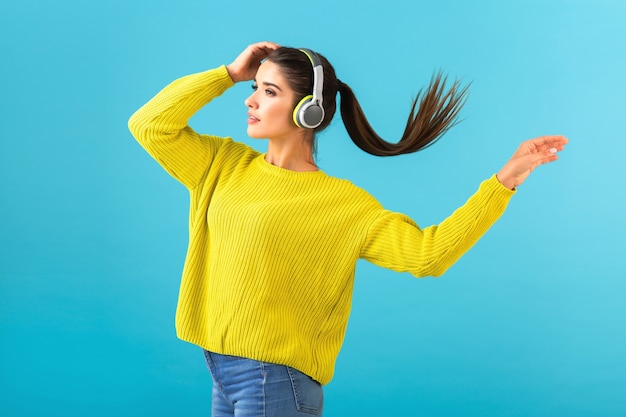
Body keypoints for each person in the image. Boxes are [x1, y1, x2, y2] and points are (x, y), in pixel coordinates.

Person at [128, 41, 567, 417]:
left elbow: (427, 254)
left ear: (309, 110)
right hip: (222, 371)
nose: (250, 100)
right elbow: (149, 125)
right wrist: (227, 73)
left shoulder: (343, 204)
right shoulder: (222, 165)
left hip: (275, 379)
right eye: (253, 88)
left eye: (268, 91)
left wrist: (503, 182)